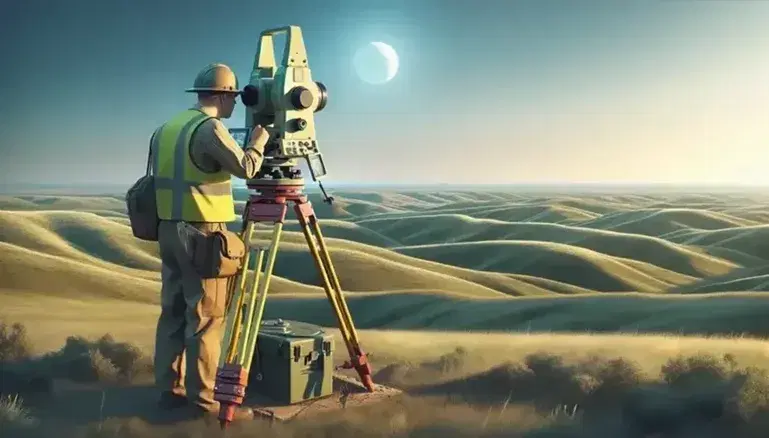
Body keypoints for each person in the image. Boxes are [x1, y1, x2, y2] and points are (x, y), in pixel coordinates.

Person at [149, 63, 268, 421]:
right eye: (232, 97)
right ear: (221, 95)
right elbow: (246, 168)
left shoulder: (167, 127)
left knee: (172, 313)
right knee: (205, 318)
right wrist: (259, 141)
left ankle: (169, 390)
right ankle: (202, 403)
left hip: (168, 229)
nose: (234, 104)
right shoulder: (209, 128)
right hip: (202, 233)